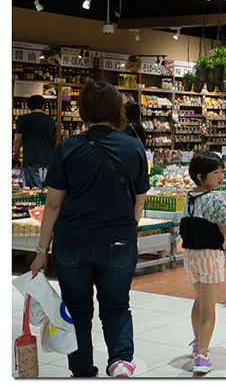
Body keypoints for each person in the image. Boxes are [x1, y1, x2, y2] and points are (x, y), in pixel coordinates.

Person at [30, 81, 149, 378]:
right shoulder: (134, 146)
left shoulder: (68, 148)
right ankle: (121, 361)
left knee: (77, 310)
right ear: (115, 109)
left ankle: (82, 370)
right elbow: (139, 202)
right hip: (119, 241)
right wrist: (126, 230)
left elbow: (54, 205)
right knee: (117, 306)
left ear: (82, 110)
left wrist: (41, 252)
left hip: (73, 243)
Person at [180, 151, 226, 374]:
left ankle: (197, 342)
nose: (220, 177)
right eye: (215, 173)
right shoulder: (216, 198)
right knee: (209, 306)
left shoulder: (189, 196)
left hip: (190, 255)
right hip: (210, 255)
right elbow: (223, 228)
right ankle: (202, 356)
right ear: (201, 176)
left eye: (221, 172)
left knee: (199, 300)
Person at [13, 94, 56, 189]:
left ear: (28, 106)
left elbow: (17, 139)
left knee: (33, 191)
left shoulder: (24, 119)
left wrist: (16, 154)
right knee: (46, 190)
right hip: (48, 159)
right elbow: (53, 139)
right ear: (43, 106)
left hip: (31, 159)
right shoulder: (50, 121)